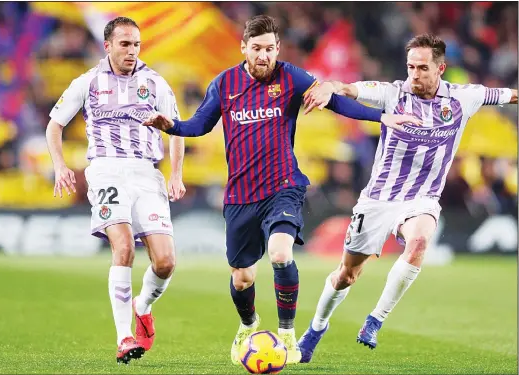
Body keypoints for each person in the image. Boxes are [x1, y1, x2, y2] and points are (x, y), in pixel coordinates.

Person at [142, 15, 420, 365]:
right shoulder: (224, 83)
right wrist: (173, 126)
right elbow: (199, 125)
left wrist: (380, 118)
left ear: (278, 49)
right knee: (242, 278)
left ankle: (288, 334)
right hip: (241, 195)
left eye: (270, 49)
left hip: (283, 186)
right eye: (256, 48)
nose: (264, 55)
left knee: (279, 253)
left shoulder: (290, 77)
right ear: (244, 48)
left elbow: (335, 101)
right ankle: (249, 324)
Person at [297, 33, 518, 361]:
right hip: (378, 198)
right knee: (346, 275)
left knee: (418, 243)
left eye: (422, 68)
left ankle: (374, 320)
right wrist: (331, 86)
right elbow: (350, 88)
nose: (414, 74)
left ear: (440, 69)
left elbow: (510, 95)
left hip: (422, 198)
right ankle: (316, 328)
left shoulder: (464, 98)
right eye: (410, 67)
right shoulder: (392, 94)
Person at [46, 17, 187, 364]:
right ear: (107, 46)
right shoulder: (88, 82)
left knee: (166, 262)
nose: (132, 51)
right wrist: (60, 165)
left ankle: (143, 306)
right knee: (123, 247)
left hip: (146, 173)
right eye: (125, 44)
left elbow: (177, 130)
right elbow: (54, 125)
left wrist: (176, 174)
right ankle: (124, 337)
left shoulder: (155, 83)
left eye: (136, 44)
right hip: (106, 171)